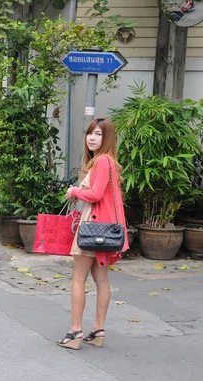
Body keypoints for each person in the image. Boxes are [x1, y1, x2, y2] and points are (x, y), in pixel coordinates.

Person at [57, 118, 129, 350]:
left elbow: (96, 194)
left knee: (78, 279)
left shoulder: (103, 161)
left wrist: (75, 191)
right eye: (90, 133)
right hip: (104, 230)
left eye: (98, 134)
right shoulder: (107, 162)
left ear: (106, 138)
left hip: (92, 228)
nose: (92, 138)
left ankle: (75, 332)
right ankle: (97, 330)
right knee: (102, 280)